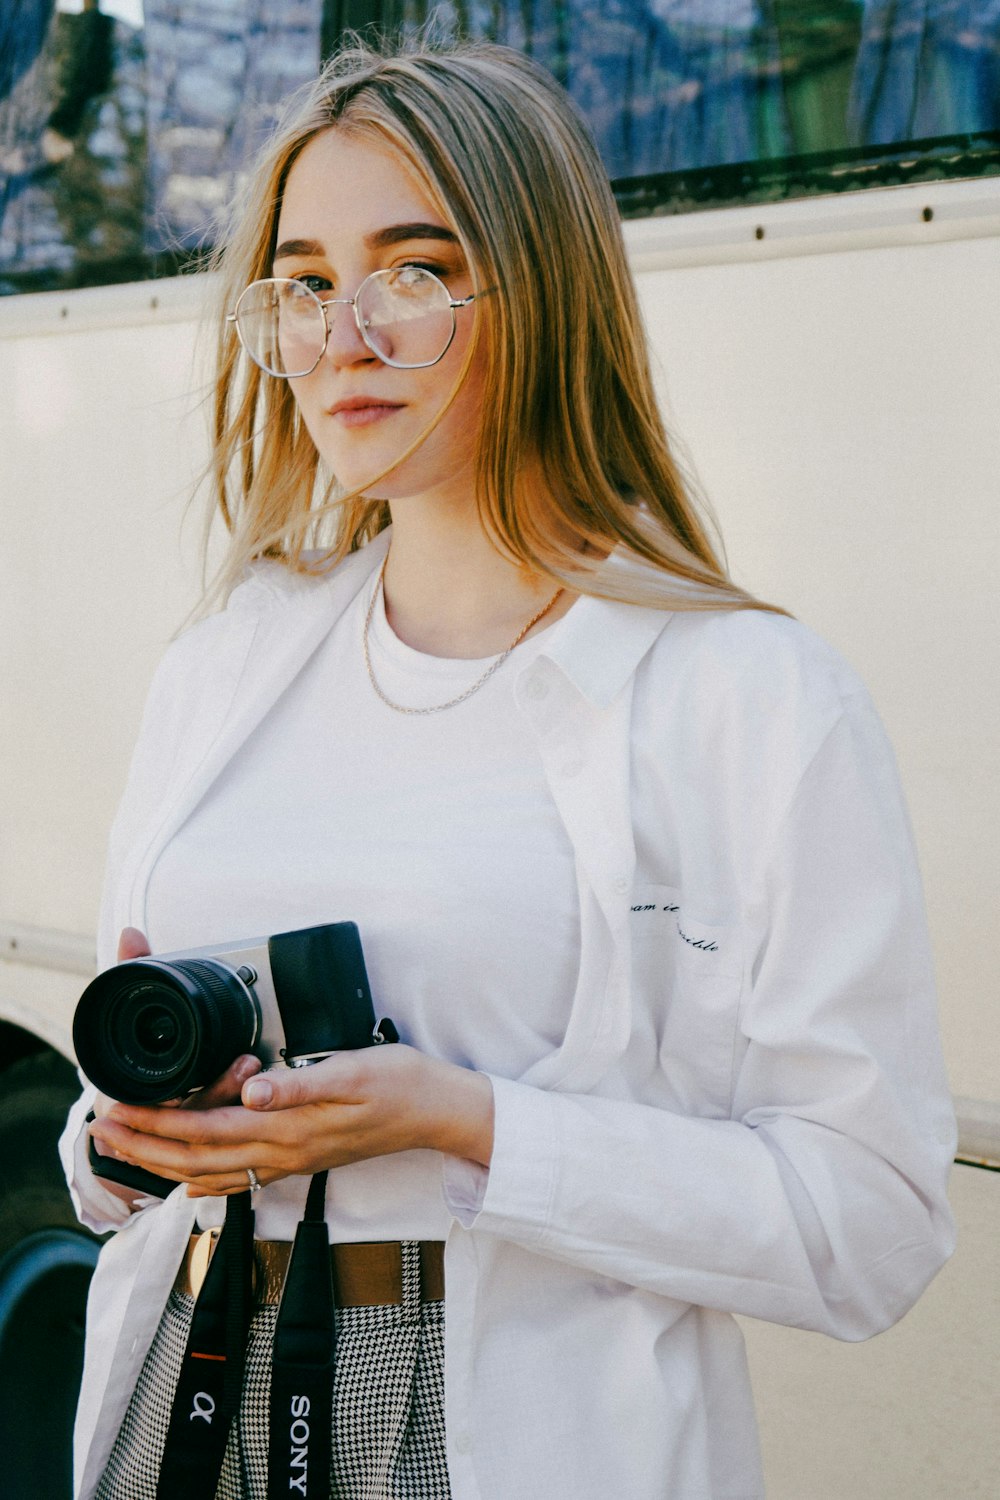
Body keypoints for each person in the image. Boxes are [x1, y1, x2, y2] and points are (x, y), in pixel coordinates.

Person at [60, 33, 956, 1500]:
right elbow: (108, 1174)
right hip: (188, 1412)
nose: (343, 335)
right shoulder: (226, 667)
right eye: (301, 282)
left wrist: (469, 1127)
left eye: (412, 272)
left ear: (539, 294)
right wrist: (137, 1142)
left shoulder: (749, 699)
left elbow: (871, 1227)